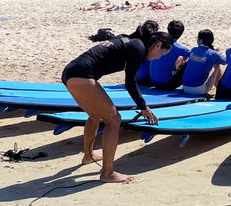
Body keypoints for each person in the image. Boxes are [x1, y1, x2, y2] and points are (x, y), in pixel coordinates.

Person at [61, 21, 173, 183]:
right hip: (82, 75)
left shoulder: (130, 41)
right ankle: (107, 173)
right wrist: (143, 106)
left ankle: (88, 156)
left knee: (94, 115)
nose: (158, 58)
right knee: (114, 119)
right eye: (162, 54)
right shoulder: (138, 48)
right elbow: (130, 82)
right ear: (157, 45)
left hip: (70, 72)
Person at [182, 29, 227, 95]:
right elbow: (225, 61)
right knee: (217, 66)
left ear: (200, 40)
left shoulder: (194, 50)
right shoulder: (212, 53)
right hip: (197, 90)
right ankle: (220, 89)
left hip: (185, 87)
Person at [150, 20, 191, 90]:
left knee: (180, 58)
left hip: (153, 82)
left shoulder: (158, 43)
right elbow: (196, 56)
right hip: (167, 84)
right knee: (191, 62)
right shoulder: (178, 47)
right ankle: (193, 86)